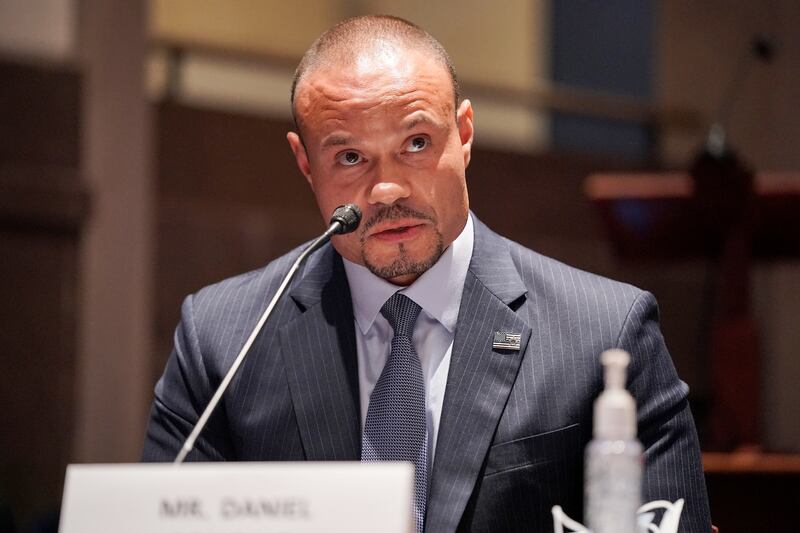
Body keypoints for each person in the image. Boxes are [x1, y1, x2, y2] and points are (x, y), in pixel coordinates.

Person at [143, 15, 712, 533]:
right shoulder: (222, 339)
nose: (387, 189)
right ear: (304, 162)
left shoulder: (606, 333)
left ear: (463, 135)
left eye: (416, 144)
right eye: (348, 157)